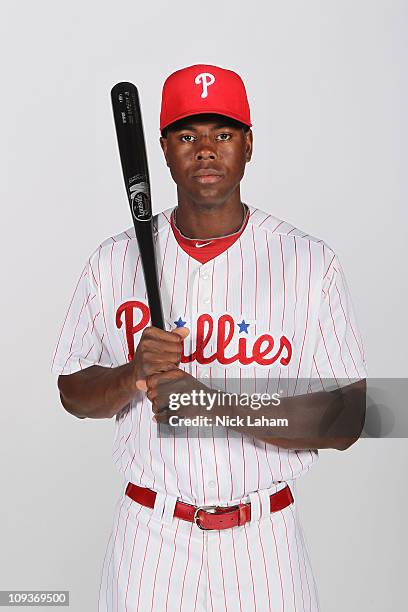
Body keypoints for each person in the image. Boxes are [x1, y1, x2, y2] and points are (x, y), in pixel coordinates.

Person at [51, 64, 367, 611]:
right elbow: (71, 392)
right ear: (165, 151)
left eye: (222, 134)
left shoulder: (310, 262)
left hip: (265, 541)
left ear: (247, 145)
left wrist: (209, 403)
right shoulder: (112, 259)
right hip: (149, 541)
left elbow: (351, 417)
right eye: (187, 135)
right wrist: (134, 373)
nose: (205, 150)